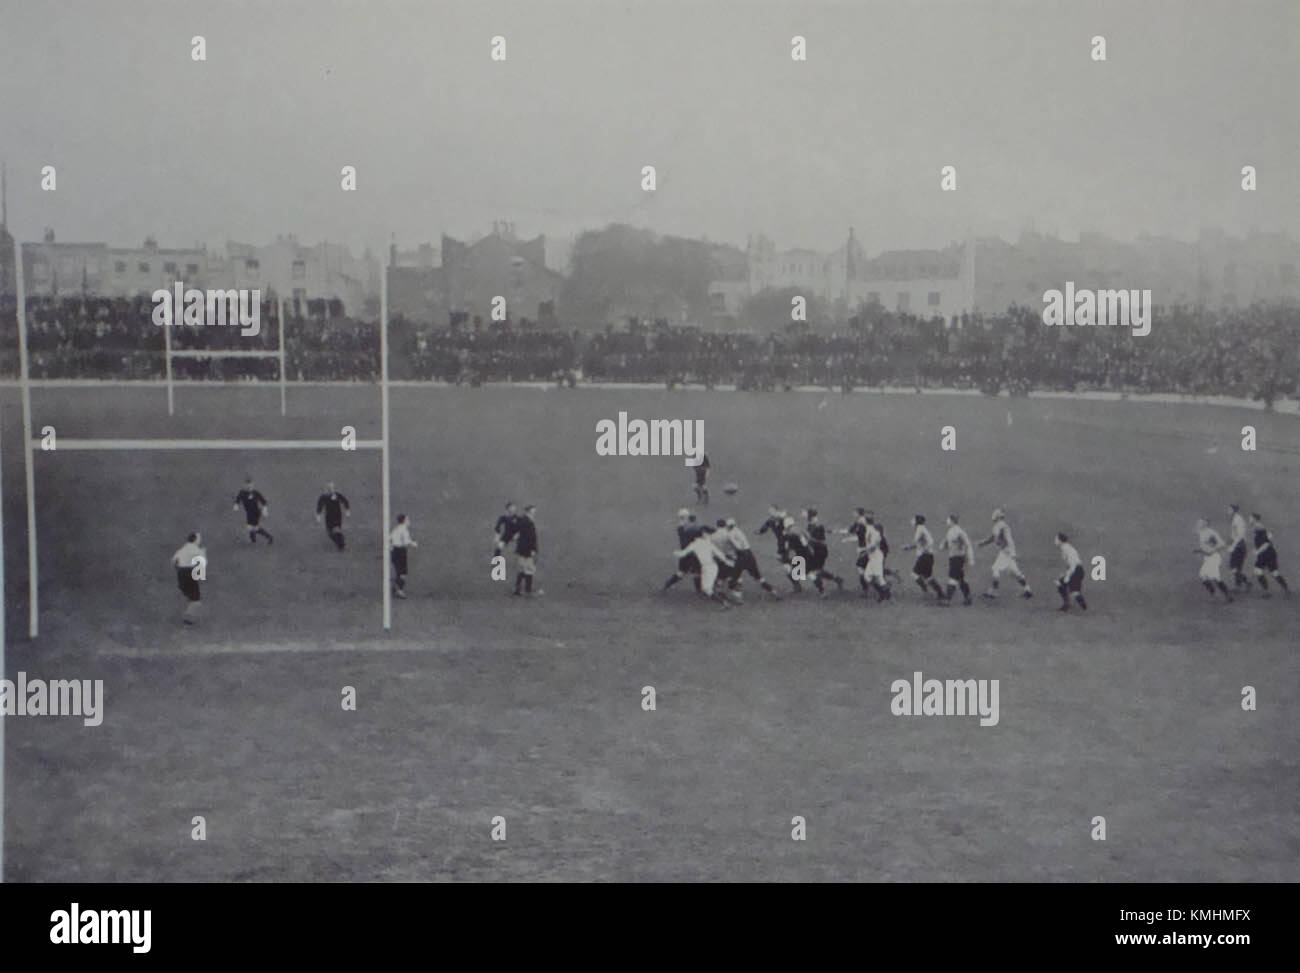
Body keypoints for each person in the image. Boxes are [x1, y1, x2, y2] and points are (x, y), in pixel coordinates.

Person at [978, 508, 1032, 599]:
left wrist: (1003, 547)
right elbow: (994, 537)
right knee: (1015, 572)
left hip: (1005, 552)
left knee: (995, 569)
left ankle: (992, 592)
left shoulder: (998, 525)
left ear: (997, 516)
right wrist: (984, 543)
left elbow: (997, 536)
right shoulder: (1004, 525)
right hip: (1008, 551)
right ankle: (1028, 590)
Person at [170, 531, 206, 625]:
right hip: (190, 572)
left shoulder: (182, 549)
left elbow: (174, 561)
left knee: (189, 595)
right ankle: (188, 616)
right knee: (196, 599)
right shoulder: (197, 550)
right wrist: (200, 577)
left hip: (181, 573)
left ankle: (189, 613)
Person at [940, 514, 975, 605]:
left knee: (953, 578)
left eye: (948, 519)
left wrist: (970, 559)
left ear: (952, 521)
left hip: (958, 558)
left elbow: (967, 544)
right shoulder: (950, 531)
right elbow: (947, 543)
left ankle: (947, 599)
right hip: (953, 557)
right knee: (960, 578)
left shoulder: (959, 532)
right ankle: (968, 598)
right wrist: (943, 545)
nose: (947, 521)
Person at [1054, 532, 1088, 612]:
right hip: (1076, 570)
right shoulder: (1065, 548)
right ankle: (1066, 605)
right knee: (1059, 583)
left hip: (1076, 570)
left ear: (1060, 540)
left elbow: (1073, 564)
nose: (1054, 541)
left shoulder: (1066, 549)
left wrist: (1067, 576)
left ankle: (1084, 607)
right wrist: (1065, 574)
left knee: (1074, 592)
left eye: (1056, 539)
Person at [513, 504, 541, 597]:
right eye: (532, 511)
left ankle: (517, 588)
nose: (534, 512)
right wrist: (532, 549)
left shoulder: (523, 520)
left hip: (522, 549)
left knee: (522, 568)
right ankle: (527, 590)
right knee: (529, 569)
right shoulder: (528, 522)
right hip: (526, 550)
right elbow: (530, 537)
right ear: (528, 511)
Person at [234, 477, 272, 544]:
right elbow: (237, 499)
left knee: (253, 527)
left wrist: (265, 510)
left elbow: (264, 502)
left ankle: (269, 537)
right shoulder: (242, 493)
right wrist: (236, 505)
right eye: (247, 485)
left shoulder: (256, 493)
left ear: (253, 485)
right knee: (251, 527)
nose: (249, 487)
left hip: (256, 513)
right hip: (248, 513)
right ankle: (254, 539)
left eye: (250, 485)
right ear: (244, 485)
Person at [315, 482, 351, 551]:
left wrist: (318, 516)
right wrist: (347, 511)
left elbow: (320, 506)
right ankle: (342, 543)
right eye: (330, 489)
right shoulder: (334, 495)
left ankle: (341, 545)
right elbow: (345, 501)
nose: (331, 490)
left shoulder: (325, 496)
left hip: (333, 516)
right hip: (334, 516)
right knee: (334, 531)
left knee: (331, 532)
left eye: (331, 488)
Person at [390, 514, 417, 599]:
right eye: (408, 519)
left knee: (398, 571)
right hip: (401, 552)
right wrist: (413, 543)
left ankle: (394, 587)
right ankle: (400, 591)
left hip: (394, 551)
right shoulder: (404, 530)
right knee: (403, 573)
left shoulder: (396, 529)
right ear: (404, 521)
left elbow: (389, 539)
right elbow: (406, 542)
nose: (409, 521)